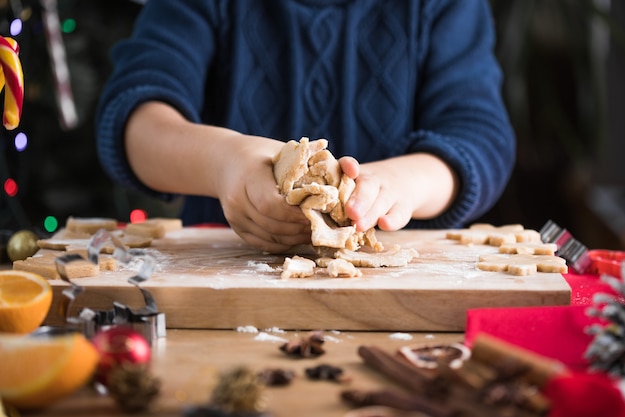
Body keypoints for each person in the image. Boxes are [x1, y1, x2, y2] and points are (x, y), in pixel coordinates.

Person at [96, 0, 516, 254]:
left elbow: (480, 138)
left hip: (397, 287)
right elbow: (136, 118)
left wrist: (398, 185)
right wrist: (225, 161)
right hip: (225, 273)